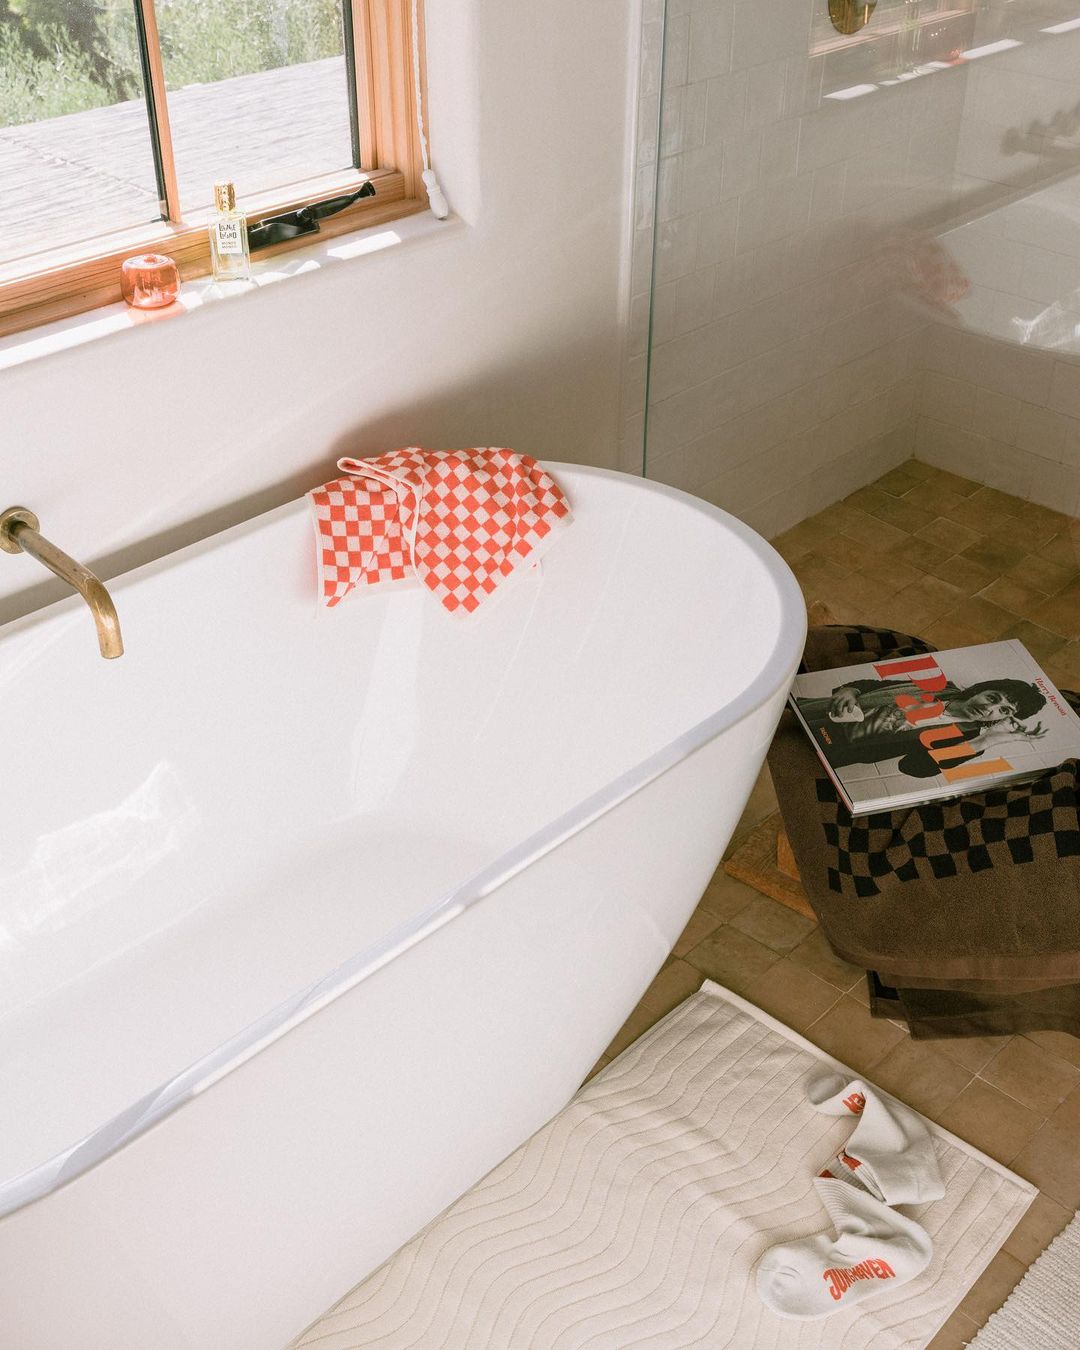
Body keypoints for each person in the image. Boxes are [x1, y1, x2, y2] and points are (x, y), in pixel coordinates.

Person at [795, 676, 1047, 777]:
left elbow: (914, 767)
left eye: (1004, 710)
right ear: (980, 690)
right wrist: (850, 690)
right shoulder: (941, 687)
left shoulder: (966, 738)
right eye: (992, 698)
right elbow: (876, 685)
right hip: (815, 712)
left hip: (827, 750)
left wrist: (988, 740)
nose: (989, 708)